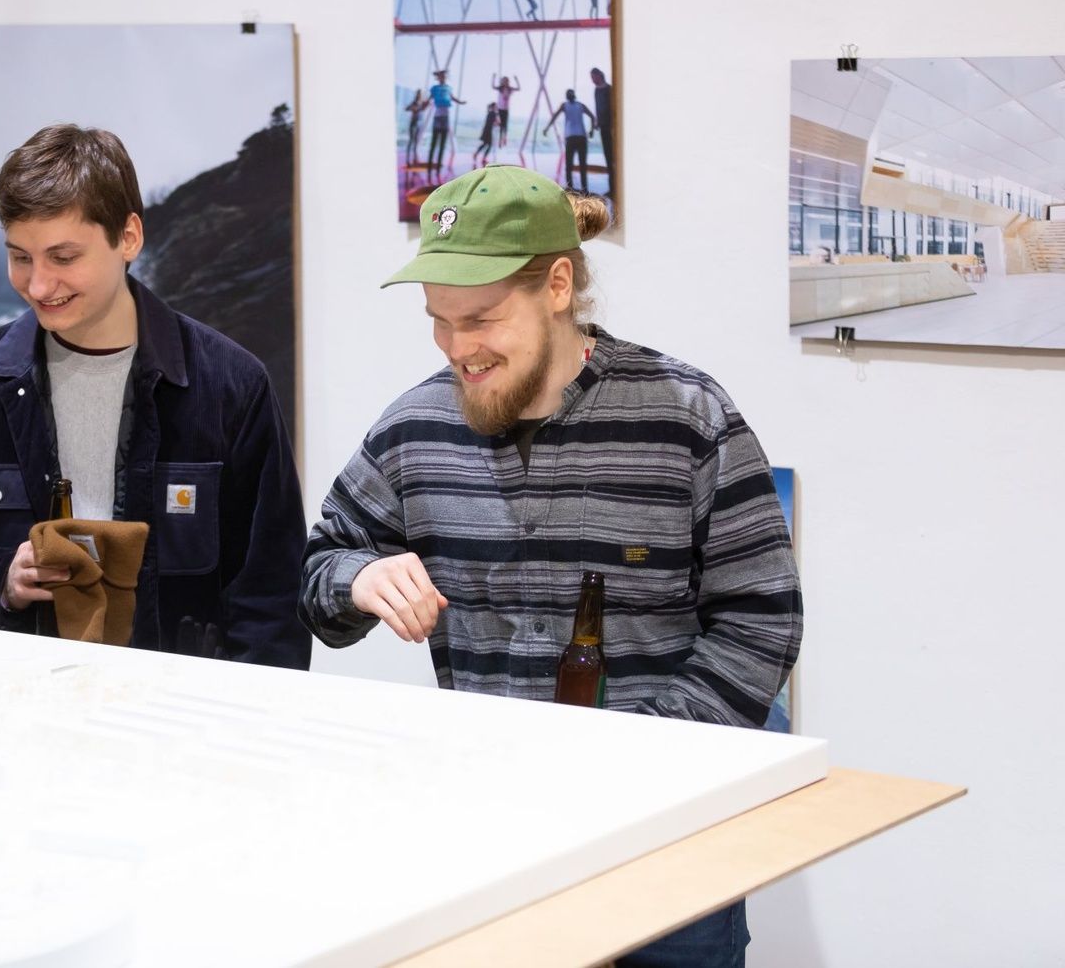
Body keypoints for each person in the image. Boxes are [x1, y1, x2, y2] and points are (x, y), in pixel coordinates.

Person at [299, 165, 802, 968]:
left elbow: (761, 620)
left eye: (482, 319)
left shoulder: (688, 419)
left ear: (558, 286)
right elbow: (320, 570)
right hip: (494, 844)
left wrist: (643, 758)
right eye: (439, 322)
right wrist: (357, 579)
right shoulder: (413, 429)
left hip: (672, 850)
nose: (459, 348)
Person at [0, 124, 310, 669]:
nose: (38, 286)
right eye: (20, 257)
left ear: (129, 237)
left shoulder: (232, 386)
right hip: (10, 699)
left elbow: (272, 600)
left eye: (63, 257)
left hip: (176, 709)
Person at [543, 89, 596, 192]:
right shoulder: (581, 105)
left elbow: (554, 117)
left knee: (568, 166)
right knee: (582, 165)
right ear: (574, 96)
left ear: (567, 97)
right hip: (581, 137)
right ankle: (585, 190)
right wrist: (592, 131)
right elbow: (592, 117)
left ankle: (570, 190)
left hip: (571, 138)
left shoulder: (564, 105)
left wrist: (547, 128)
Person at [427, 69, 466, 181]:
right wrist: (422, 105)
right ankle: (430, 167)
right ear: (438, 77)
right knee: (434, 143)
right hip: (437, 117)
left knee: (442, 144)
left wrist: (461, 102)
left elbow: (453, 98)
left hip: (446, 118)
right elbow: (429, 99)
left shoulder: (448, 88)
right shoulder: (435, 88)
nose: (442, 78)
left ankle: (438, 168)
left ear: (445, 77)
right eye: (441, 76)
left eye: (444, 76)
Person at [589, 66, 614, 184]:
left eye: (593, 77)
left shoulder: (609, 89)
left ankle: (616, 184)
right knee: (607, 155)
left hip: (611, 126)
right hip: (603, 126)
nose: (592, 80)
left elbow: (613, 107)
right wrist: (596, 122)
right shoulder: (596, 90)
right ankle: (612, 185)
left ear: (599, 76)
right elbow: (597, 107)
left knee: (613, 155)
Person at [491, 74, 521, 148]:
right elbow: (493, 86)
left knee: (505, 125)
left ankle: (504, 138)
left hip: (506, 109)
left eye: (506, 81)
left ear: (508, 82)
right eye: (504, 81)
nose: (505, 82)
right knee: (501, 125)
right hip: (500, 109)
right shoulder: (500, 88)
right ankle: (500, 141)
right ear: (502, 82)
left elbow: (518, 88)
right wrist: (493, 78)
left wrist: (516, 80)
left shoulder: (510, 89)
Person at [404, 87, 429, 167]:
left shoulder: (422, 103)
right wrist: (413, 108)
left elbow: (424, 108)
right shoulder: (414, 102)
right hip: (413, 123)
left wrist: (426, 105)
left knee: (415, 142)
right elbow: (406, 108)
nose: (420, 95)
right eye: (419, 93)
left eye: (421, 94)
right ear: (417, 94)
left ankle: (414, 159)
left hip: (419, 123)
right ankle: (407, 159)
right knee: (411, 141)